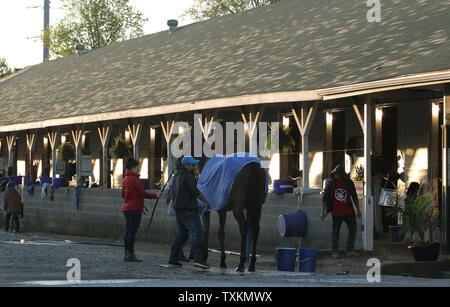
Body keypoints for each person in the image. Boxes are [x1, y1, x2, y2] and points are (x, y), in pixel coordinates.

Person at [168, 156, 212, 269]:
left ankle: (173, 258)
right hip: (189, 209)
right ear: (186, 165)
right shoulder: (188, 176)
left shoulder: (177, 176)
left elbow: (172, 193)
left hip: (178, 210)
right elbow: (195, 191)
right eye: (193, 165)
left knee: (181, 235)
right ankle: (199, 259)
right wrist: (206, 202)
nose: (194, 167)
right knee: (197, 232)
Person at [122, 157, 158, 262]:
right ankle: (130, 254)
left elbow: (123, 195)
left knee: (128, 231)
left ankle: (127, 252)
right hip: (135, 209)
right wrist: (155, 195)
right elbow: (143, 193)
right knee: (132, 233)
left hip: (127, 208)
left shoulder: (125, 179)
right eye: (137, 167)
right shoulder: (135, 180)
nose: (138, 169)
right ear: (133, 167)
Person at [321, 164, 361, 258]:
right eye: (335, 174)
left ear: (342, 175)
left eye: (338, 174)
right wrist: (323, 212)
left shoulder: (349, 183)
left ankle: (350, 250)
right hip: (336, 212)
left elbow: (354, 197)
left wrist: (357, 210)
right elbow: (325, 199)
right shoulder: (331, 184)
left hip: (348, 211)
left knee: (353, 229)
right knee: (335, 232)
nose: (336, 176)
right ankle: (335, 251)